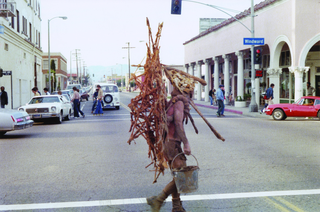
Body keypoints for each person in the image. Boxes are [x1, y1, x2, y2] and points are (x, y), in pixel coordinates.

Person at [147, 86, 191, 212]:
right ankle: (158, 200)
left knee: (177, 174)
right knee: (181, 175)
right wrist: (186, 143)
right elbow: (178, 124)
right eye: (188, 91)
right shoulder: (179, 103)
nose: (190, 94)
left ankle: (176, 207)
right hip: (173, 144)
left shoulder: (169, 103)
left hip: (167, 143)